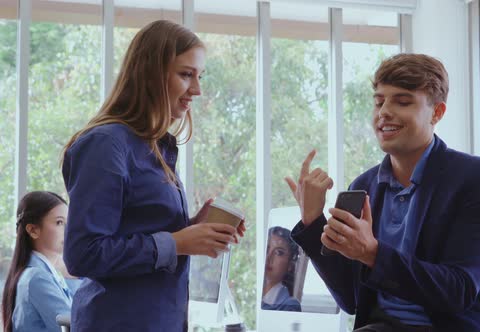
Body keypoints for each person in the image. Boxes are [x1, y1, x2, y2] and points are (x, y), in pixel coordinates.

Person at [285, 54, 480, 331]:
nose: (384, 111)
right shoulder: (365, 186)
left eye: (403, 101)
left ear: (437, 112)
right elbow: (351, 298)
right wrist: (313, 221)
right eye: (379, 101)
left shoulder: (478, 178)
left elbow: (458, 290)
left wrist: (372, 253)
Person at [61, 20, 246, 331]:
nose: (197, 90)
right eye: (186, 75)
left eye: (199, 77)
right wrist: (176, 242)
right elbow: (82, 255)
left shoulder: (157, 148)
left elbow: (140, 232)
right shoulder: (106, 144)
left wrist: (192, 231)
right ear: (150, 74)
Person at [2, 191, 82, 332]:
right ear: (33, 230)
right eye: (59, 222)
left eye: (68, 223)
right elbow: (75, 326)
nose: (68, 231)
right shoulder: (37, 277)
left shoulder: (46, 274)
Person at [262, 226, 301, 312]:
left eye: (279, 252)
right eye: (267, 249)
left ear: (290, 265)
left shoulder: (290, 306)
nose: (268, 257)